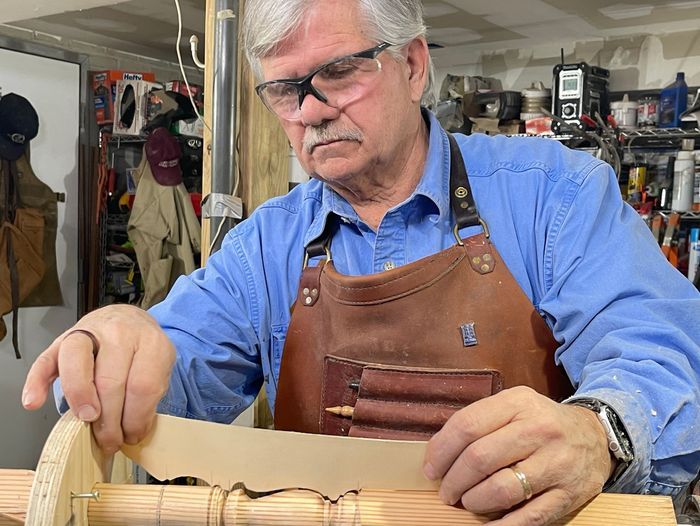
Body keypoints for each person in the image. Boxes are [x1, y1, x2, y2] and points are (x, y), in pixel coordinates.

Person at [23, 0, 700, 524]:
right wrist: (114, 358)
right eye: (284, 91)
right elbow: (165, 367)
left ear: (411, 65)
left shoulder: (555, 192)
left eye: (338, 72)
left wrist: (596, 430)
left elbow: (654, 344)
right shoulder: (269, 245)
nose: (311, 111)